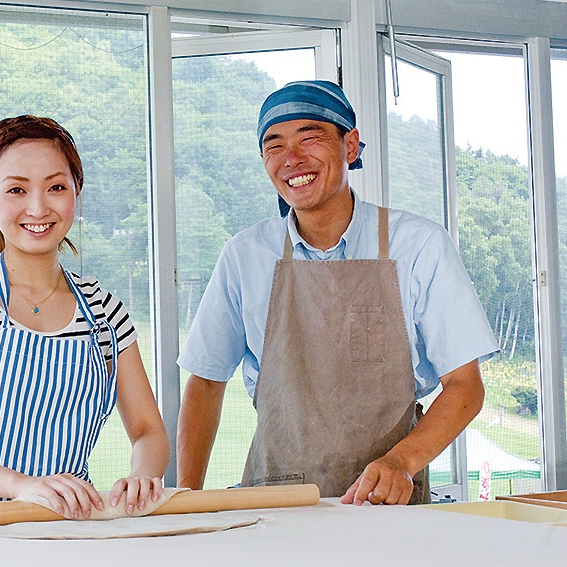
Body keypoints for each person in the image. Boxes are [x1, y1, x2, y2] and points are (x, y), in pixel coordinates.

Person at [176, 81, 498, 505]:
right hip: (276, 501)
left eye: (309, 138)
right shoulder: (244, 255)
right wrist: (182, 501)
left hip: (388, 504)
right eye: (274, 145)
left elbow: (464, 386)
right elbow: (205, 382)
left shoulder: (419, 245)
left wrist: (401, 462)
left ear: (350, 145)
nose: (291, 159)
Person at [0, 115, 169, 518]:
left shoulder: (103, 311)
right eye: (16, 189)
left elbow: (149, 430)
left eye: (56, 187)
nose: (38, 207)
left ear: (76, 192)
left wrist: (143, 475)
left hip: (70, 528)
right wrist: (22, 487)